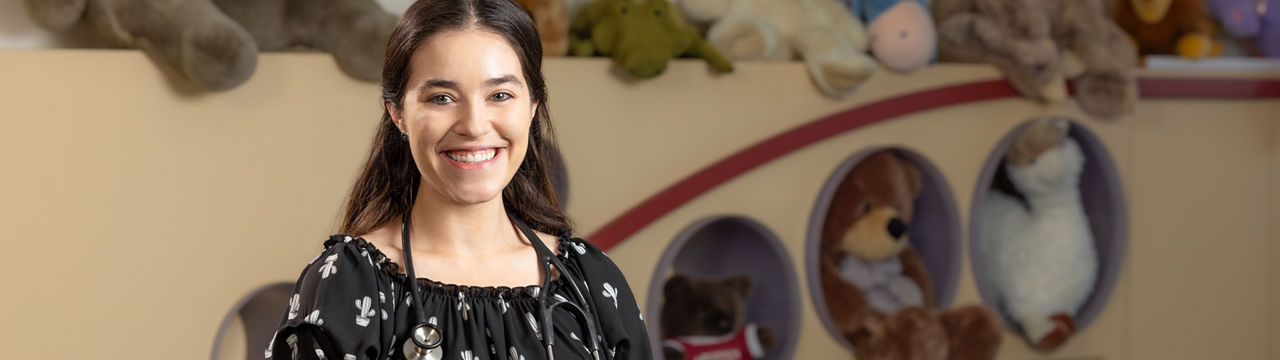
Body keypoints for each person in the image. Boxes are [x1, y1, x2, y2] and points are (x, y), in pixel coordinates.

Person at [265, 0, 652, 359]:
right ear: (398, 113)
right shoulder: (348, 284)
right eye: (442, 98)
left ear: (532, 107)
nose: (474, 125)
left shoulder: (588, 281)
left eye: (500, 95)